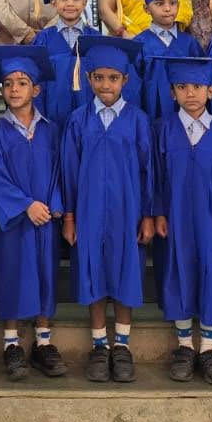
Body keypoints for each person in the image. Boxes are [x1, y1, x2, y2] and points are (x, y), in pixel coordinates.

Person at [61, 35, 153, 385]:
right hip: (87, 211)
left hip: (127, 211)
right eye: (98, 77)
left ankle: (122, 346)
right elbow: (69, 171)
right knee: (93, 272)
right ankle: (100, 346)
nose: (105, 85)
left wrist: (147, 215)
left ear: (125, 80)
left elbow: (148, 171)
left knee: (125, 271)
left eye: (113, 78)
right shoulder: (78, 120)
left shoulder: (138, 120)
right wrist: (69, 216)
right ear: (88, 79)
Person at [150, 55, 212, 386]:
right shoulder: (162, 128)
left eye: (199, 86)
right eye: (182, 86)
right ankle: (185, 346)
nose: (191, 93)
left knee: (211, 275)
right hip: (174, 218)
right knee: (178, 272)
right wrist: (158, 212)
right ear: (172, 92)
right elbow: (155, 176)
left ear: (211, 91)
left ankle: (208, 349)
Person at [0, 44, 67, 381]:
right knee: (12, 275)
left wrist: (53, 205)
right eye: (7, 84)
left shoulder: (51, 130)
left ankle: (43, 343)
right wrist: (24, 205)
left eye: (22, 83)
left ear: (37, 90)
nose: (14, 89)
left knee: (45, 274)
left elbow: (62, 171)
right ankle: (11, 344)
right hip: (13, 222)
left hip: (45, 218)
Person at [119, 0, 200, 122]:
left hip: (185, 121)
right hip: (149, 120)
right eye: (159, 3)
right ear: (146, 9)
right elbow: (132, 92)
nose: (167, 8)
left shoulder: (190, 44)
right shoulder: (138, 46)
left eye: (173, 2)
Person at [32, 0, 101, 123]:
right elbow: (36, 82)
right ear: (53, 3)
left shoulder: (96, 39)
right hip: (51, 118)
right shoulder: (41, 40)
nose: (70, 3)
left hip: (89, 118)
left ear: (84, 3)